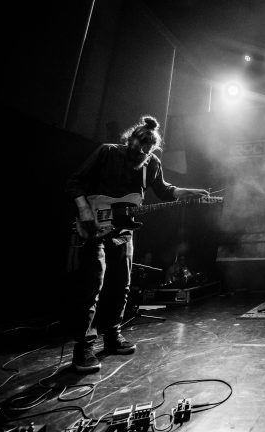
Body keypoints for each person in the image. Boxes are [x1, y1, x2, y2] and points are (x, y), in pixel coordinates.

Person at [66, 115, 208, 373]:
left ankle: (112, 336)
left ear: (152, 148)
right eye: (137, 144)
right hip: (93, 227)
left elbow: (164, 190)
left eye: (146, 148)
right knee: (92, 285)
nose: (140, 151)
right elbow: (75, 182)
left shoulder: (151, 163)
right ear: (129, 139)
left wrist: (187, 193)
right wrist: (84, 210)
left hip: (124, 231)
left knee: (121, 284)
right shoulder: (108, 152)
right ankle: (83, 348)